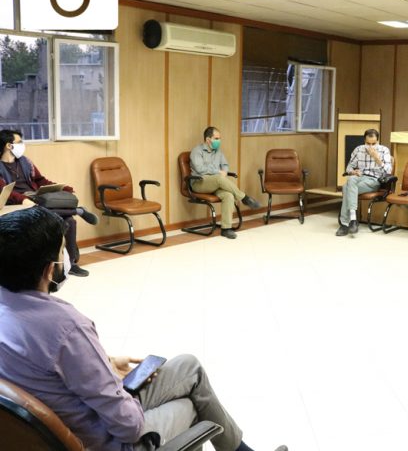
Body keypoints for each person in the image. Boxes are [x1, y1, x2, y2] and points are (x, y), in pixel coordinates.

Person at [0, 207, 285, 451]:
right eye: (63, 251)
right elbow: (129, 426)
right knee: (192, 405)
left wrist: (105, 363)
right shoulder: (67, 327)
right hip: (108, 439)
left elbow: (43, 363)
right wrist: (120, 390)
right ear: (50, 269)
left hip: (66, 418)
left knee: (189, 367)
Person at [0, 129, 98, 277]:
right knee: (46, 210)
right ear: (9, 145)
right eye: (20, 142)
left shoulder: (26, 162)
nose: (23, 145)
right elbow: (4, 191)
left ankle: (71, 264)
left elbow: (40, 180)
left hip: (35, 198)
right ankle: (78, 211)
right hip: (17, 204)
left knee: (69, 221)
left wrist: (60, 187)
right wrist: (23, 199)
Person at [190, 126, 260, 239]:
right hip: (199, 183)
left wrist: (224, 171)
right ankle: (244, 198)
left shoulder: (218, 151)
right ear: (208, 139)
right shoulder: (197, 151)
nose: (219, 141)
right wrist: (218, 172)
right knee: (219, 178)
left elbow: (225, 165)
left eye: (220, 138)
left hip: (215, 183)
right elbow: (200, 169)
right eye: (216, 138)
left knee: (229, 195)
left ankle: (226, 229)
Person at [336, 128, 392, 237]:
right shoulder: (358, 149)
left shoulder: (384, 150)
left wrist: (377, 158)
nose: (371, 147)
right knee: (351, 179)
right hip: (359, 177)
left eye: (373, 144)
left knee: (346, 188)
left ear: (378, 141)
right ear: (364, 141)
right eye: (368, 143)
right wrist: (352, 171)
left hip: (374, 180)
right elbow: (349, 167)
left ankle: (345, 224)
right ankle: (353, 220)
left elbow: (388, 171)